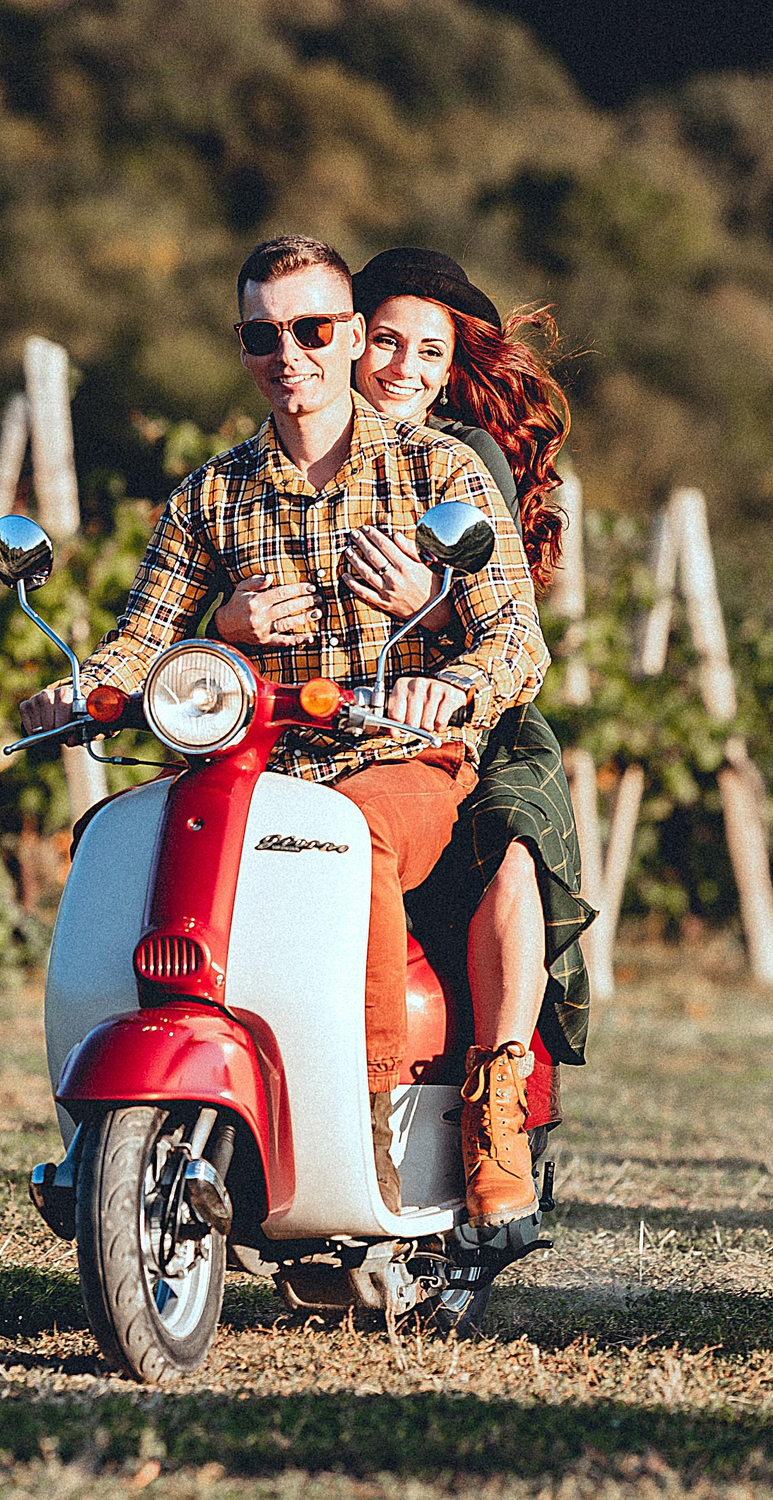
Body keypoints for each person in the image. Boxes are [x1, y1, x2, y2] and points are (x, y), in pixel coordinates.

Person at [16, 235, 549, 1225]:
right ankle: (118, 1112)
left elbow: (517, 637)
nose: (289, 354)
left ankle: (376, 1108)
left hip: (398, 757)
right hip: (251, 763)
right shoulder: (210, 494)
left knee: (353, 840)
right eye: (264, 334)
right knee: (114, 842)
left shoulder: (442, 473)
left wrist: (453, 686)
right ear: (243, 344)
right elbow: (140, 640)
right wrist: (80, 688)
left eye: (311, 329)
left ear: (349, 335)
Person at [215, 247, 591, 1211]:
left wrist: (437, 607)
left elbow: (509, 627)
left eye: (430, 353)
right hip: (300, 729)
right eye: (385, 342)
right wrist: (222, 628)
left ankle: (495, 1099)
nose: (402, 369)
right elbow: (168, 621)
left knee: (512, 833)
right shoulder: (246, 476)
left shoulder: (462, 465)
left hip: (466, 713)